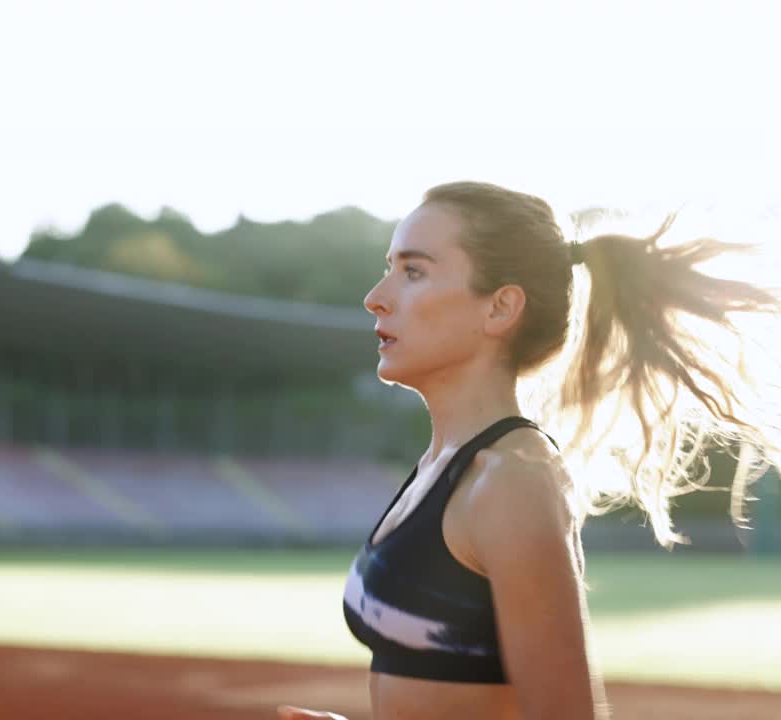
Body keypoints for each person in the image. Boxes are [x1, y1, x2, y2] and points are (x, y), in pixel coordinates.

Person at [278, 181, 780, 720]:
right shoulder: (445, 467)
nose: (376, 296)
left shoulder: (510, 482)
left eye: (413, 272)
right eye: (390, 266)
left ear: (500, 308)